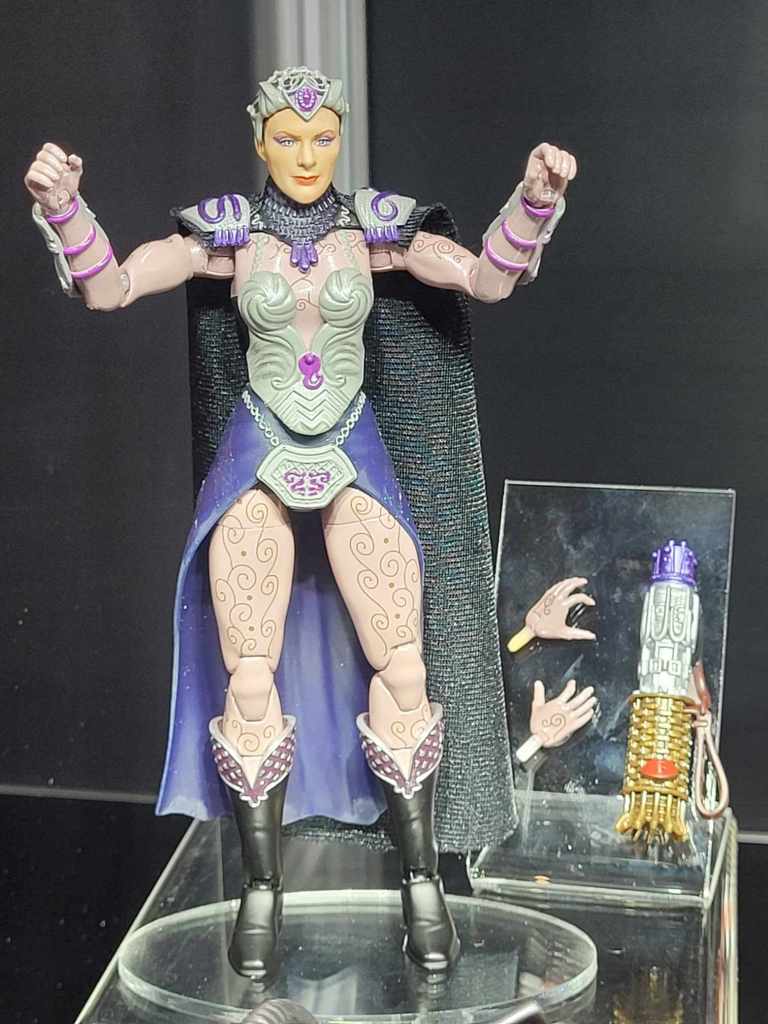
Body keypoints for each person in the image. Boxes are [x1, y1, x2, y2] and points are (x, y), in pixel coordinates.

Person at [25, 65, 577, 978]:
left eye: (323, 138)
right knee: (250, 677)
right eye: (288, 138)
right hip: (262, 450)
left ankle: (421, 882)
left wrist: (534, 200)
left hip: (352, 447)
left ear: (340, 136)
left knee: (405, 666)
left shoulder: (377, 229)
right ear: (260, 141)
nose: (308, 155)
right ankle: (262, 888)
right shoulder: (228, 235)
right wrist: (65, 209)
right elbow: (113, 287)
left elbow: (484, 279)